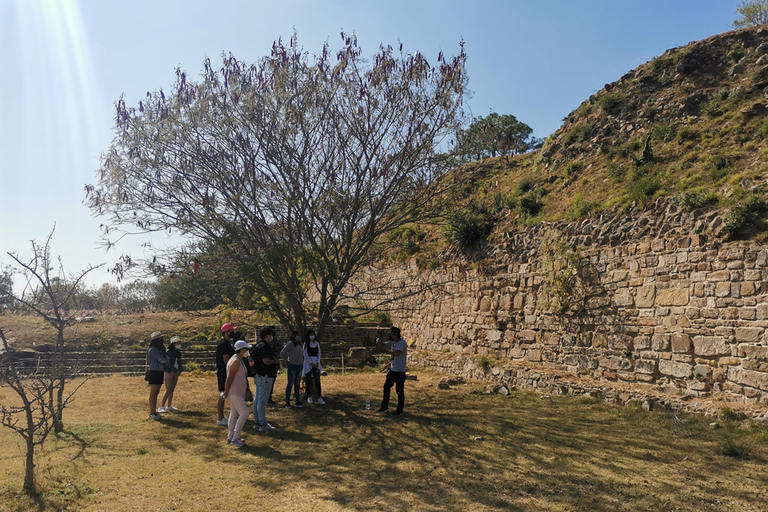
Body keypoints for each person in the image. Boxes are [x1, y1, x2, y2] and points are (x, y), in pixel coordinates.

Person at [223, 340, 252, 447]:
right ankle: (236, 437)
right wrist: (226, 392)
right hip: (235, 392)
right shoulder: (235, 361)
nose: (247, 352)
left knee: (234, 413)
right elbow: (229, 379)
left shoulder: (238, 359)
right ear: (242, 350)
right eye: (246, 349)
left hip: (238, 391)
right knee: (244, 413)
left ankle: (230, 437)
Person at [251, 327, 278, 431]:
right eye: (270, 335)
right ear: (267, 336)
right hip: (265, 376)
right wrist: (274, 361)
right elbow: (266, 361)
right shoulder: (264, 347)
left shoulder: (258, 345)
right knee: (262, 400)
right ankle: (263, 423)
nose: (271, 337)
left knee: (257, 399)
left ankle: (257, 422)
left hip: (259, 375)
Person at [377, 326, 407, 416]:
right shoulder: (393, 343)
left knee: (399, 390)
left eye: (392, 335)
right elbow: (384, 344)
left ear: (396, 335)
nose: (391, 337)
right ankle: (384, 407)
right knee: (386, 387)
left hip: (400, 371)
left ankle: (400, 410)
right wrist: (379, 342)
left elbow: (396, 353)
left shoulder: (402, 343)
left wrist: (388, 351)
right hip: (392, 370)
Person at [215, 323, 237, 426]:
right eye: (231, 331)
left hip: (226, 372)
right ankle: (220, 418)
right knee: (223, 394)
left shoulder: (227, 343)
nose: (233, 333)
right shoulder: (223, 344)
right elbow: (226, 360)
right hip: (224, 373)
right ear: (226, 332)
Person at [146, 331, 170, 421]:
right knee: (153, 393)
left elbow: (166, 358)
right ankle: (152, 412)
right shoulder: (153, 350)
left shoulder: (159, 349)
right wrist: (166, 360)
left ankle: (154, 411)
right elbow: (163, 360)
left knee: (156, 392)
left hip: (159, 371)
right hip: (154, 372)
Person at [280, 330, 304, 408]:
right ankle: (287, 402)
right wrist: (287, 361)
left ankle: (297, 401)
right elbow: (282, 353)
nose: (299, 337)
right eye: (298, 335)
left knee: (297, 384)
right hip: (292, 366)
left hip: (299, 366)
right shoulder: (290, 344)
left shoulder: (300, 344)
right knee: (290, 384)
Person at [159, 335, 184, 413]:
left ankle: (169, 405)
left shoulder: (177, 352)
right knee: (168, 389)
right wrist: (174, 370)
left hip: (176, 372)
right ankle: (162, 406)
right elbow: (168, 363)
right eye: (177, 343)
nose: (179, 345)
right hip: (169, 372)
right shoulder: (168, 352)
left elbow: (179, 362)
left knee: (172, 389)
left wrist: (179, 370)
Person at [303, 329, 325, 405]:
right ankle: (309, 397)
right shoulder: (306, 344)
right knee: (308, 381)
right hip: (308, 364)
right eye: (310, 335)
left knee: (317, 381)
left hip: (316, 363)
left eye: (313, 335)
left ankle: (319, 397)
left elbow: (319, 353)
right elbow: (305, 354)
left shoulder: (316, 344)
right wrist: (311, 363)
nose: (312, 336)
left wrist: (318, 362)